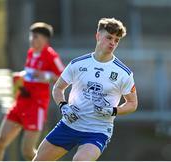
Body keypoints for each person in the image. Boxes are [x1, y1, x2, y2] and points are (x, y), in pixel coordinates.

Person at [33, 17, 138, 161]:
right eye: (109, 38)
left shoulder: (123, 73)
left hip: (97, 131)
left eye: (116, 40)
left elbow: (132, 104)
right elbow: (58, 88)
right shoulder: (78, 64)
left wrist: (113, 110)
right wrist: (64, 106)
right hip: (69, 124)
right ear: (98, 36)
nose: (113, 43)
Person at [0, 22, 64, 160]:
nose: (32, 39)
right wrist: (21, 76)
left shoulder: (51, 56)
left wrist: (47, 76)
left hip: (36, 106)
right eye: (31, 36)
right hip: (20, 103)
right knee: (1, 141)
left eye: (35, 36)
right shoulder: (31, 52)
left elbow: (63, 77)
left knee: (27, 151)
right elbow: (32, 74)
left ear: (44, 39)